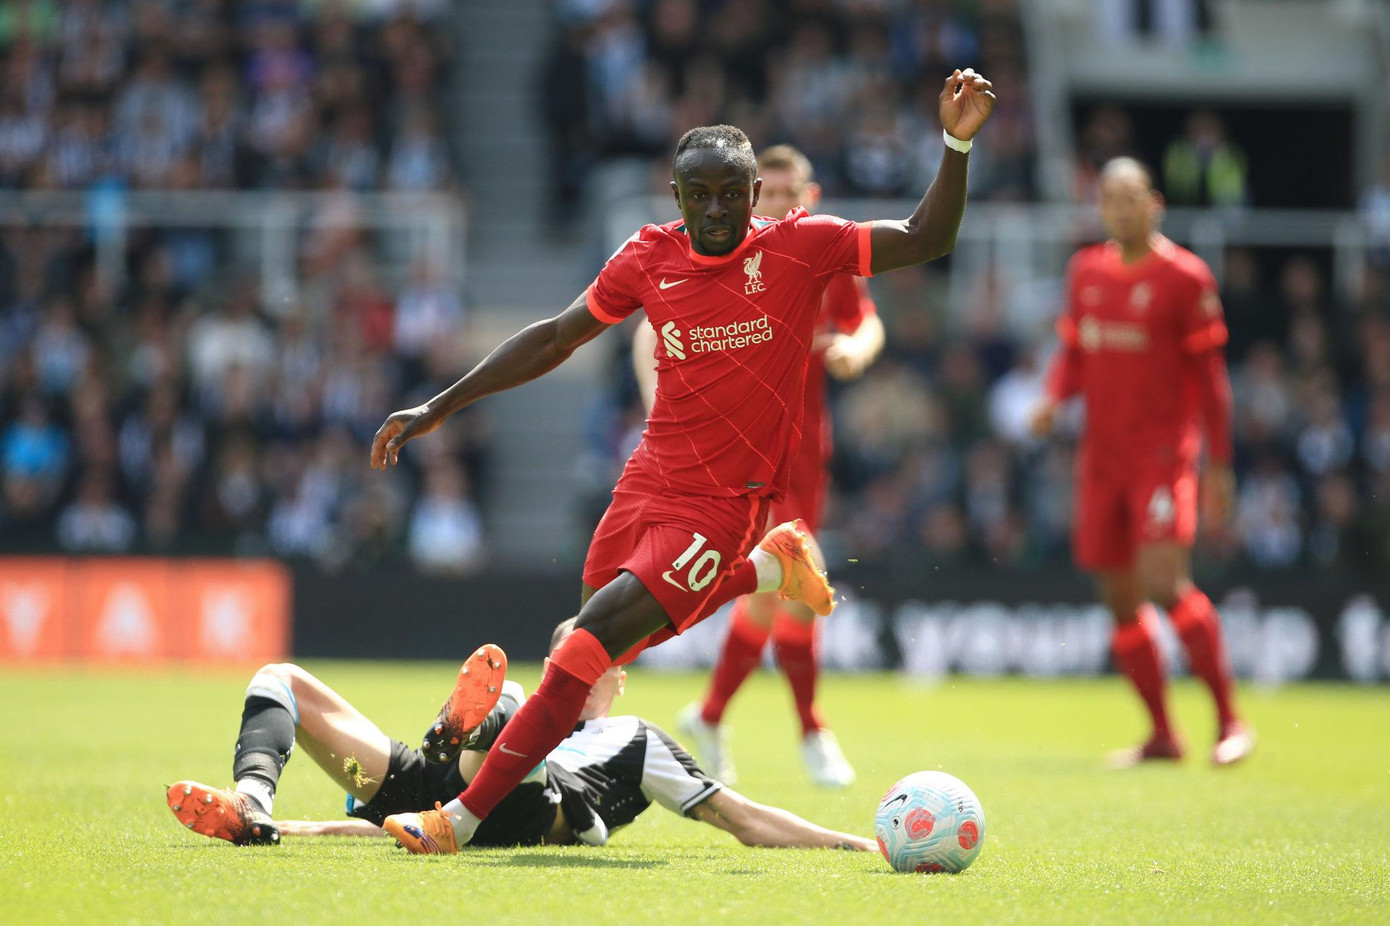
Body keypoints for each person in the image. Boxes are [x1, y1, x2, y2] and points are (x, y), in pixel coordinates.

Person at [369, 68, 995, 854]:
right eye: (699, 196)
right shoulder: (647, 258)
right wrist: (438, 405)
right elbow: (557, 337)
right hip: (646, 480)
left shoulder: (802, 246)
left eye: (731, 195)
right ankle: (767, 574)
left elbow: (928, 238)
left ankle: (457, 820)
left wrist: (956, 142)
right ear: (675, 195)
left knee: (582, 649)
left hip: (721, 503)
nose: (716, 212)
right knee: (591, 653)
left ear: (756, 190)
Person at [631, 144, 884, 788]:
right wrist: (654, 401)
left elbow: (865, 323)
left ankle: (711, 715)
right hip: (742, 450)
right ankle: (811, 729)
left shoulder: (817, 254)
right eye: (766, 194)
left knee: (775, 592)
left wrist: (855, 350)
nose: (777, 204)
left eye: (787, 193)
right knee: (799, 576)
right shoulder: (728, 254)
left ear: (810, 194)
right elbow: (651, 325)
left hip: (807, 450)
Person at [165, 634, 874, 852]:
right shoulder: (538, 702)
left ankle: (471, 725)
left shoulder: (632, 736)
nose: (578, 674)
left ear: (615, 679)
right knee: (279, 675)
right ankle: (254, 805)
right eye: (567, 663)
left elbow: (742, 819)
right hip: (449, 785)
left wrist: (851, 844)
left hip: (535, 803)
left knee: (512, 712)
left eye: (589, 665)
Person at [1030, 157, 1254, 768]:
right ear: (1100, 207)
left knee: (1162, 582)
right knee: (1120, 599)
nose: (1121, 209)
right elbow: (1075, 352)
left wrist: (1221, 465)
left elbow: (1211, 380)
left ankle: (1231, 722)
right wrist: (1053, 398)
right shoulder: (1086, 271)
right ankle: (1161, 734)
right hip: (1101, 458)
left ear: (1154, 204)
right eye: (1110, 199)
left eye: (1131, 198)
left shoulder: (1185, 277)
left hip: (1161, 455)